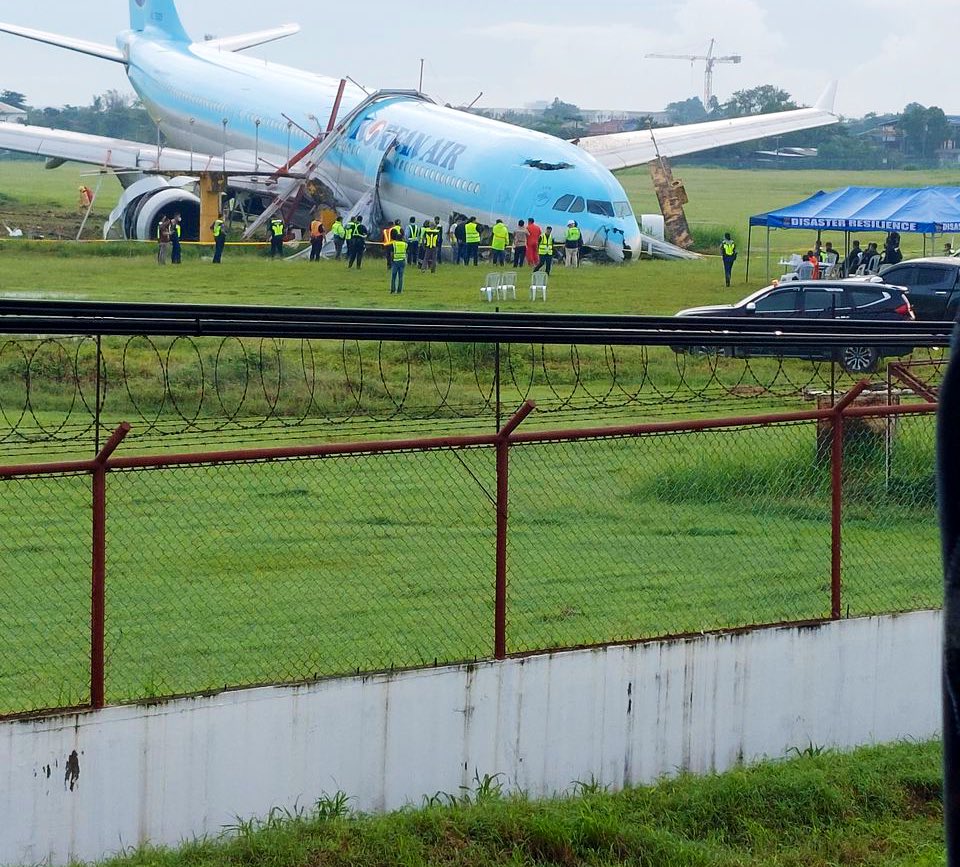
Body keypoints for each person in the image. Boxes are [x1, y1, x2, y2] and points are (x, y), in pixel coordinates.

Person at [390, 229, 407, 294]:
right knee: (401, 276)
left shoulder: (394, 244)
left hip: (395, 261)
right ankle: (399, 290)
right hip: (402, 261)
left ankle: (393, 290)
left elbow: (392, 254)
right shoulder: (405, 244)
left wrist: (392, 261)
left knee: (393, 276)